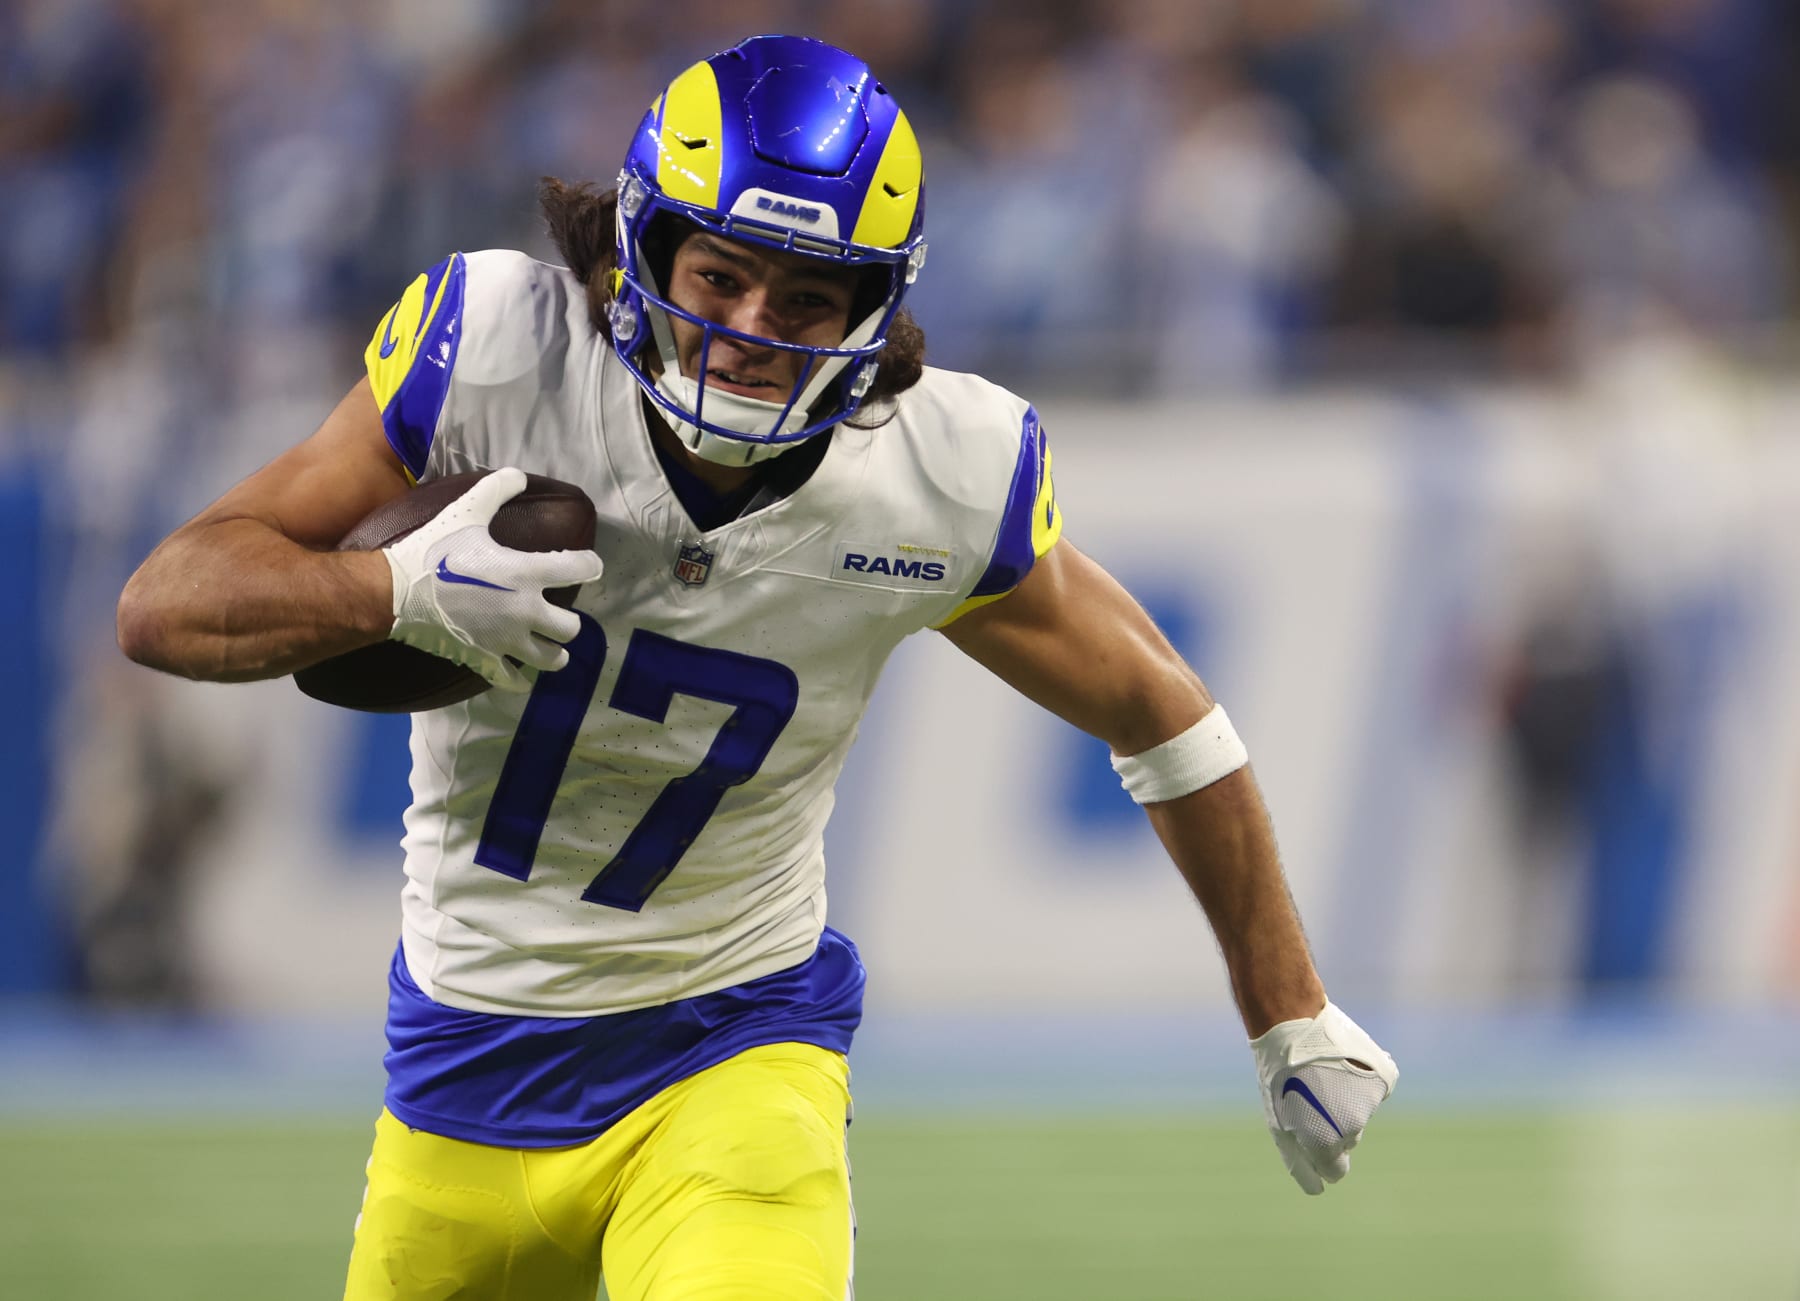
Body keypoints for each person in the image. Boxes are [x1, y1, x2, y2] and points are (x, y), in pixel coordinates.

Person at [115, 34, 1397, 1301]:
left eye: (802, 300)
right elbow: (168, 602)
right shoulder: (502, 353)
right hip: (459, 1069)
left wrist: (1291, 1011)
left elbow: (1161, 711)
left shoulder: (932, 473)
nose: (746, 329)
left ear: (871, 311)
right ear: (644, 250)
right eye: (720, 274)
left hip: (731, 1048)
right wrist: (390, 587)